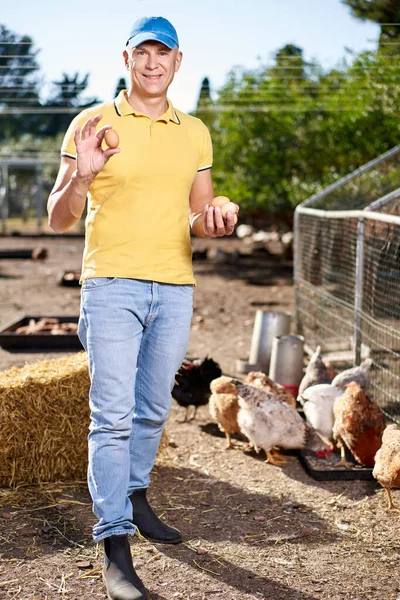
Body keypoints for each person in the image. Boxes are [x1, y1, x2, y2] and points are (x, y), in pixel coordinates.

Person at [47, 15, 239, 600]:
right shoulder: (93, 122)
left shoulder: (195, 132)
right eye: (142, 53)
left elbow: (197, 218)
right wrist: (81, 179)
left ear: (178, 61)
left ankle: (134, 497)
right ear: (125, 58)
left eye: (165, 54)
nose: (153, 63)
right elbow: (57, 217)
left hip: (174, 288)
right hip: (111, 286)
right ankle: (114, 544)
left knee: (153, 409)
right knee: (112, 415)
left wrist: (216, 223)